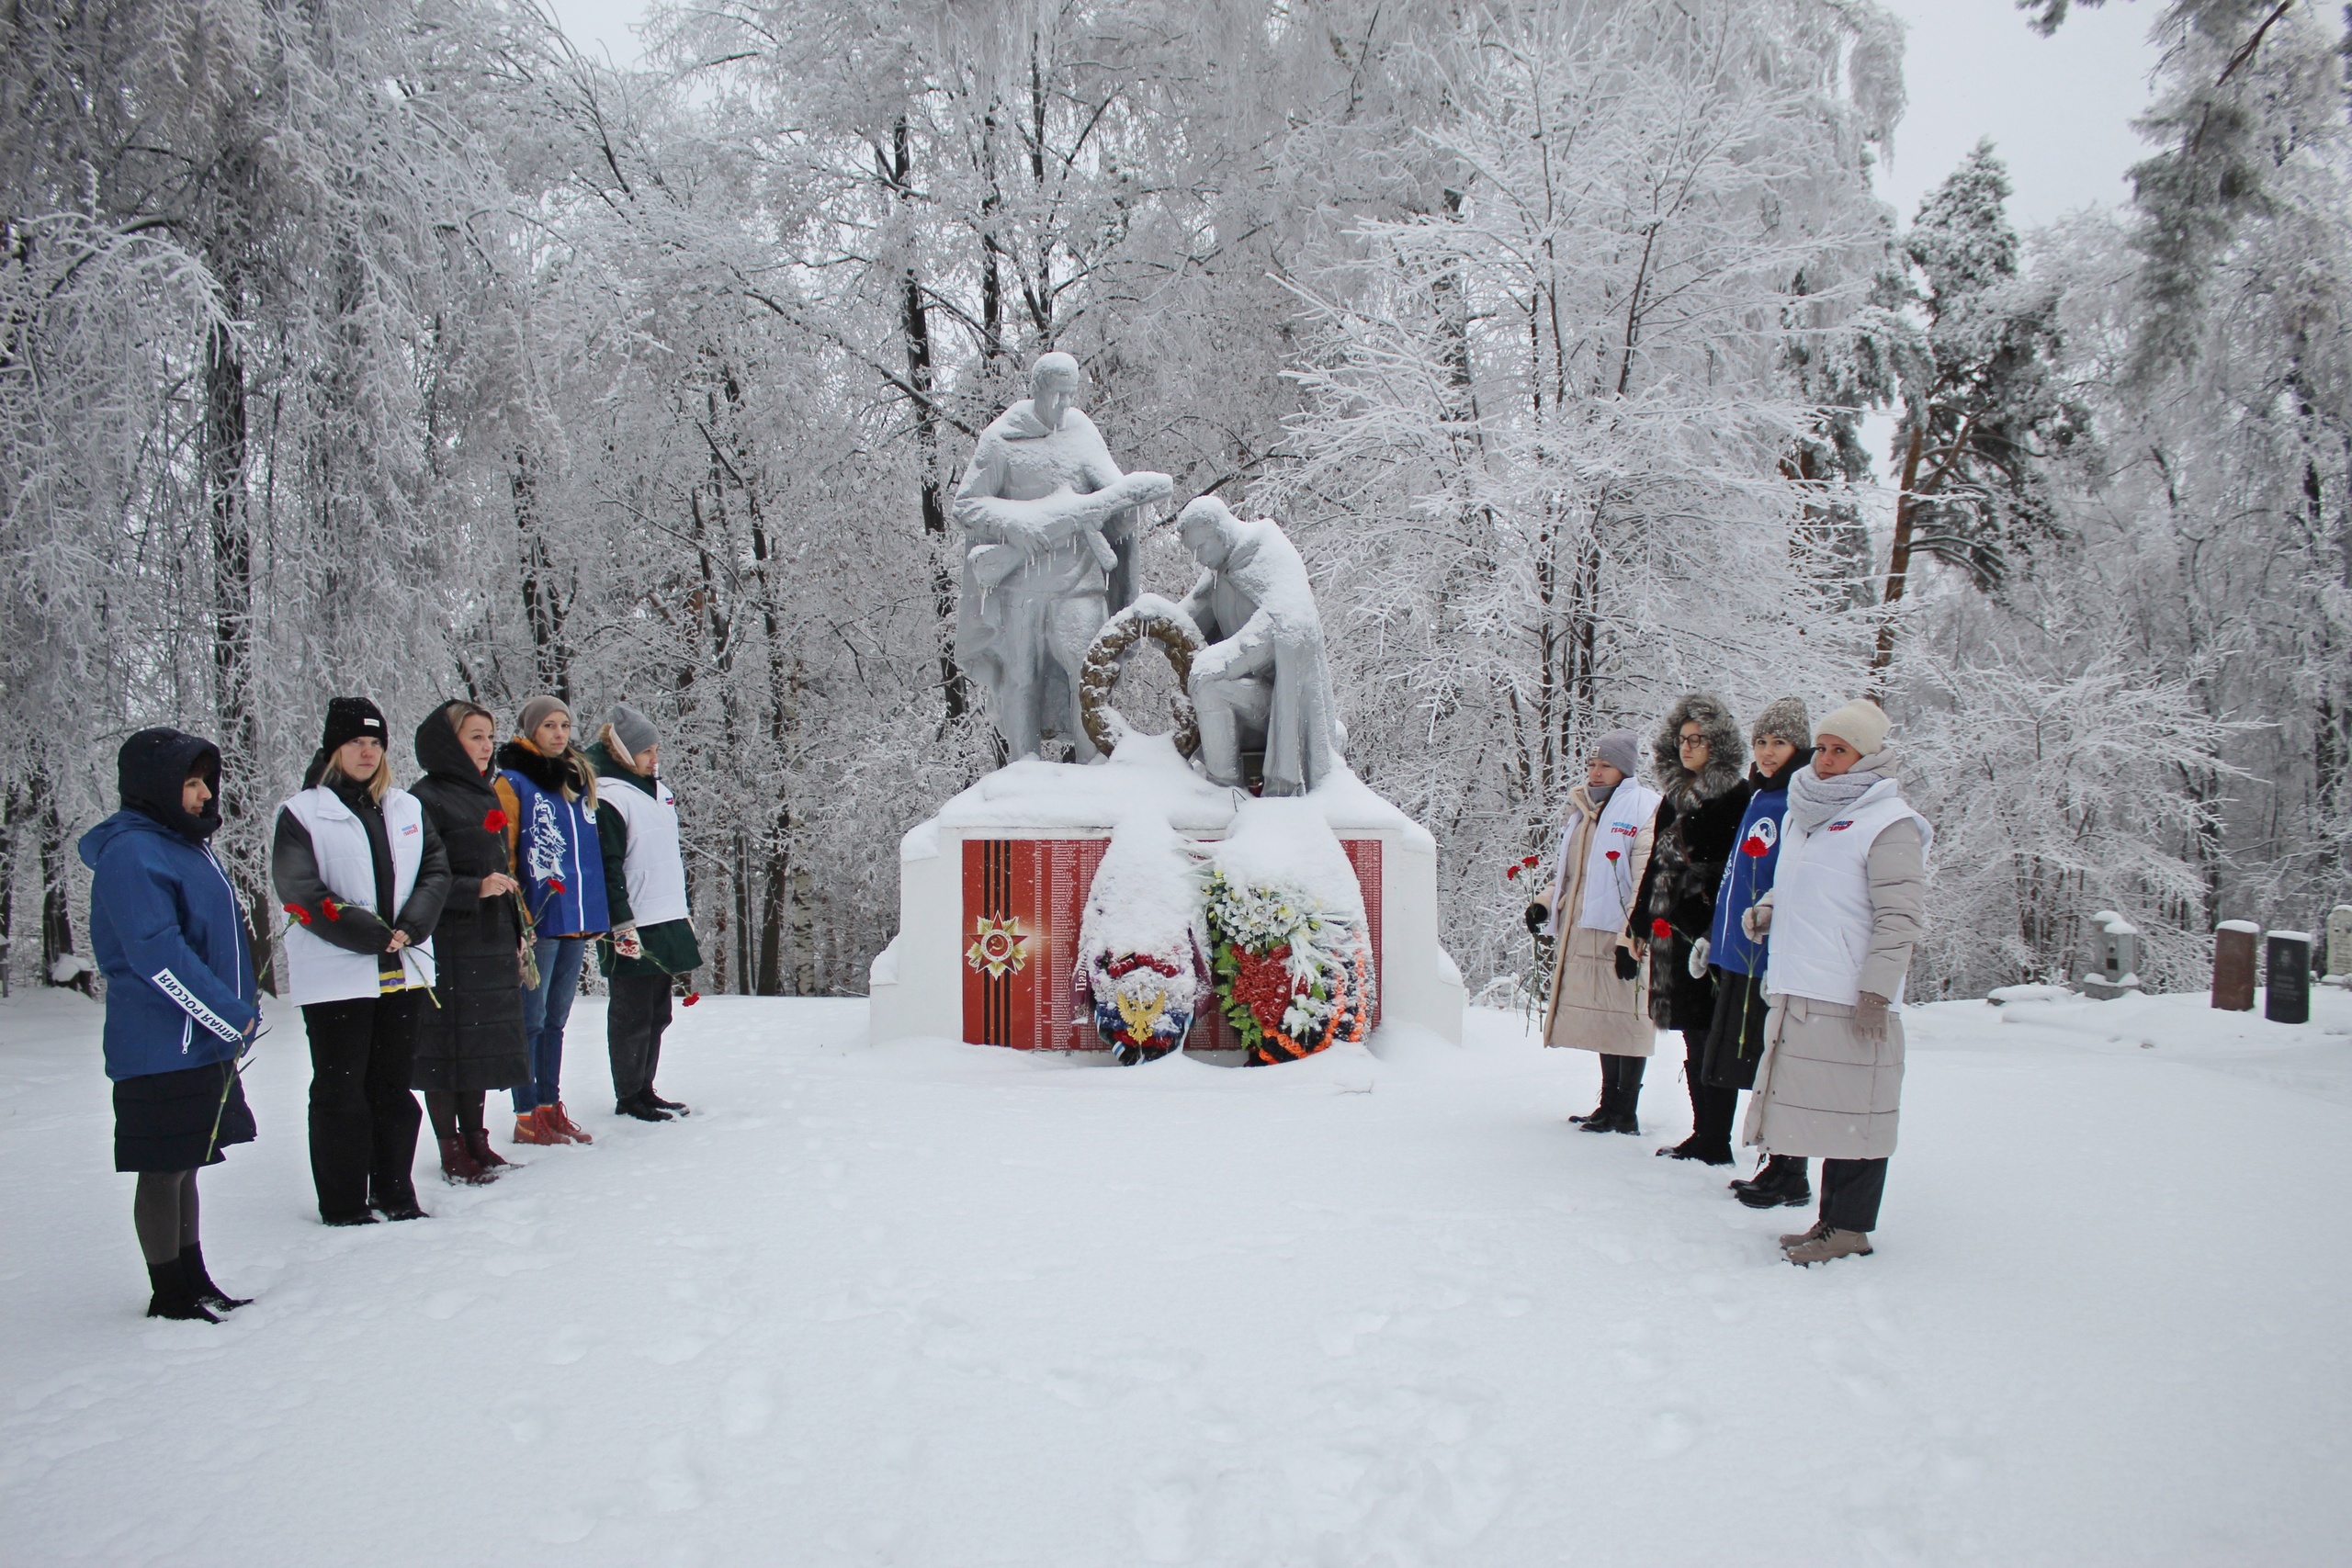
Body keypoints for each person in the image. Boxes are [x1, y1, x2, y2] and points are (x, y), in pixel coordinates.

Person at [1741, 697, 1930, 1265]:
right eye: (1821, 748)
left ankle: (1849, 1230)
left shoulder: (1889, 823)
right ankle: (1830, 1221)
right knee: (1827, 1112)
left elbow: (1900, 917)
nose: (1823, 760)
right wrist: (1771, 908)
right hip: (1803, 986)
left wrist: (1876, 990)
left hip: (1852, 996)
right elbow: (1805, 885)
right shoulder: (1809, 814)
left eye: (1838, 750)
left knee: (1859, 1113)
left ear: (1868, 757)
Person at [80, 728, 261, 1320]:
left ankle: (194, 1278)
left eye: (206, 781)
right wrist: (229, 1016)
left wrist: (233, 1017)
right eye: (191, 782)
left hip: (198, 1039)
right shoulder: (132, 852)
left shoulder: (184, 845)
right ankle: (169, 1293)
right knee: (162, 1168)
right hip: (159, 1043)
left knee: (187, 1164)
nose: (205, 794)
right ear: (155, 787)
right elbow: (157, 953)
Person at [273, 697, 450, 1224]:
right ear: (334, 748)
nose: (366, 752)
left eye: (375, 743)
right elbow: (300, 889)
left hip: (407, 967)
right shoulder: (303, 812)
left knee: (393, 1088)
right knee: (341, 1089)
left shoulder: (407, 808)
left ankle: (395, 1192)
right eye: (355, 742)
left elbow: (435, 872)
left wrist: (412, 925)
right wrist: (366, 933)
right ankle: (344, 1201)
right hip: (337, 976)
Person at [409, 702, 531, 1183]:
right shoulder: (424, 798)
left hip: (490, 932)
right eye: (474, 736)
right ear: (448, 743)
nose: (485, 747)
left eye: (488, 737)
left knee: (478, 1040)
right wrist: (473, 888)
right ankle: (450, 1147)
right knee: (446, 1045)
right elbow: (420, 878)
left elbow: (499, 864)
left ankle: (478, 1140)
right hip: (448, 937)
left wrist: (517, 930)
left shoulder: (485, 795)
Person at [1627, 694, 1749, 1165]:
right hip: (1670, 930)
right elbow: (1655, 865)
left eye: (1697, 739)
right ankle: (1704, 1134)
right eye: (1681, 739)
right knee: (1690, 1035)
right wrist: (1639, 923)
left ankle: (1715, 1139)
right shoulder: (1673, 798)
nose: (1688, 747)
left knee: (1709, 1036)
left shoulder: (1736, 796)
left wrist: (1700, 884)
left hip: (1709, 932)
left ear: (1718, 743)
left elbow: (1741, 869)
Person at [1525, 728, 1662, 1133]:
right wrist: (1545, 903)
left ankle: (1626, 1110)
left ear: (1626, 769)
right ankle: (1609, 1105)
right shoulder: (1585, 811)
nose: (1596, 772)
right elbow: (1572, 874)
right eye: (1592, 764)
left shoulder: (1645, 807)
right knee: (1607, 1019)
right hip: (1584, 928)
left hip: (1621, 930)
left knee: (1628, 1018)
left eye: (1606, 765)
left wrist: (1632, 937)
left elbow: (1645, 878)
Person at [1706, 699, 1815, 1209]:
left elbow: (1787, 881)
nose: (1768, 753)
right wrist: (1716, 936)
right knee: (1749, 1062)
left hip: (1769, 954)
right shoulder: (1760, 794)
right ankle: (1776, 1163)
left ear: (1800, 747)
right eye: (1761, 743)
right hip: (1739, 951)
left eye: (1779, 743)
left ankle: (1789, 1168)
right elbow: (1738, 877)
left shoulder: (1798, 798)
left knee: (1779, 1063)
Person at [1172, 496, 1348, 795]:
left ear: (1220, 532)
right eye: (1192, 551)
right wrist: (1147, 619)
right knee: (1205, 683)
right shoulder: (1218, 571)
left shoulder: (1266, 552)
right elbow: (1184, 619)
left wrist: (1225, 661)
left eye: (1201, 547)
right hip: (1252, 694)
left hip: (1282, 703)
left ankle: (1223, 791)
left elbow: (1284, 625)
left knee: (1209, 687)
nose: (1198, 558)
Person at [496, 694, 609, 1145]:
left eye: (564, 725)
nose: (559, 733)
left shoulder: (577, 780)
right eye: (549, 726)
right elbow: (503, 850)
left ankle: (549, 1105)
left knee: (557, 1018)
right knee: (531, 1019)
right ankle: (526, 1115)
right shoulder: (514, 781)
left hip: (576, 917)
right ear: (529, 731)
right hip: (538, 917)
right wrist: (516, 910)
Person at [587, 705, 701, 1122]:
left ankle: (646, 1087)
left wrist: (682, 909)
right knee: (630, 1012)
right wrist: (620, 922)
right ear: (622, 751)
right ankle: (629, 1093)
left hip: (665, 914)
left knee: (657, 1011)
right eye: (646, 750)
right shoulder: (610, 796)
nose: (655, 758)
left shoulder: (659, 792)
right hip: (632, 919)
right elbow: (608, 865)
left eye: (656, 749)